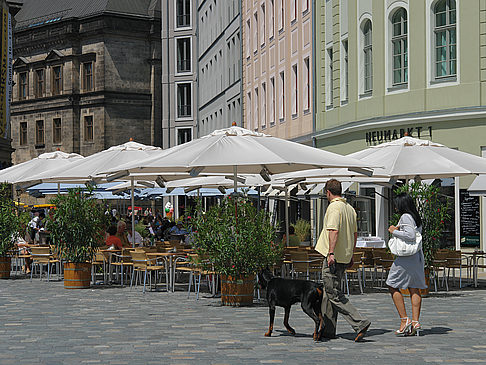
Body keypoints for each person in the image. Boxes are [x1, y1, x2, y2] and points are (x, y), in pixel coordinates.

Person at [315, 179, 371, 342]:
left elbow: (334, 231)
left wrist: (330, 252)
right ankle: (328, 330)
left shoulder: (334, 207)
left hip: (334, 256)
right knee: (328, 293)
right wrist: (351, 254)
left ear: (328, 192)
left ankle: (359, 322)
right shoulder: (349, 208)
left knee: (333, 293)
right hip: (344, 256)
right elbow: (354, 234)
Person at [387, 192, 426, 336]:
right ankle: (415, 321)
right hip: (416, 256)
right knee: (414, 288)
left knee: (392, 284)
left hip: (405, 258)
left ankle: (405, 320)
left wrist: (393, 231)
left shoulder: (405, 217)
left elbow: (409, 235)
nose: (395, 207)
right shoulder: (415, 217)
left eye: (396, 204)